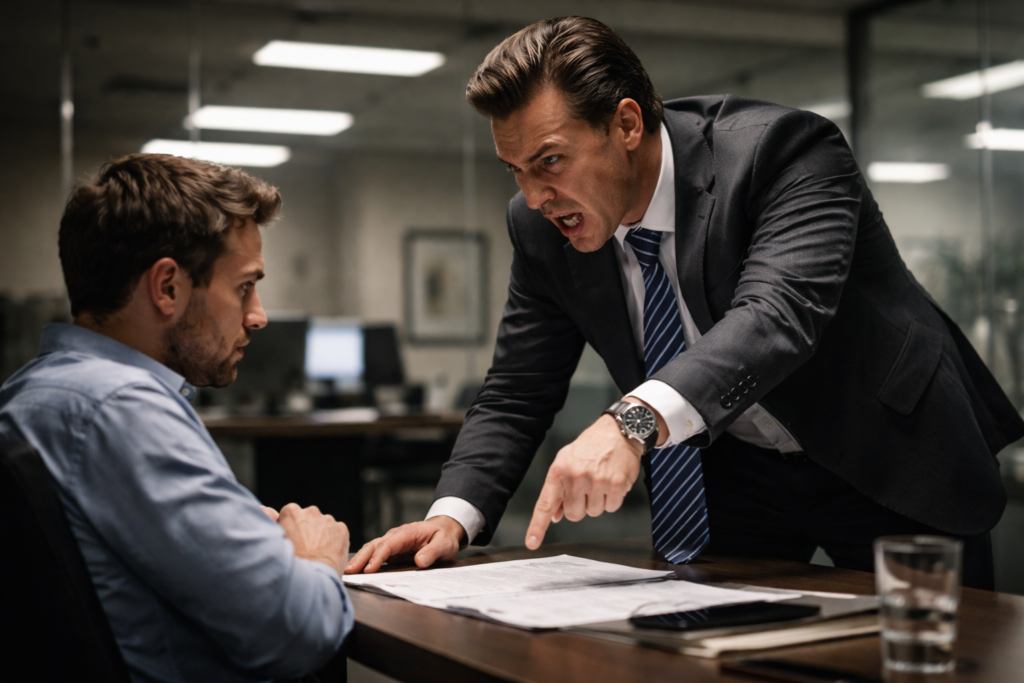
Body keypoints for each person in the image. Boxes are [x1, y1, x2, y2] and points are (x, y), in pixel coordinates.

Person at [347, 16, 1022, 590]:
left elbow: (777, 316)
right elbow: (517, 388)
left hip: (886, 442)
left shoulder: (784, 154)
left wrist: (631, 420)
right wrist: (451, 516)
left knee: (934, 657)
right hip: (741, 468)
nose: (533, 196)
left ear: (627, 124)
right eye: (516, 171)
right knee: (716, 652)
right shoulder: (539, 229)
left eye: (550, 161)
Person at [0, 154, 353, 683]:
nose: (257, 315)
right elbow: (297, 631)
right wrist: (316, 558)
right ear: (167, 286)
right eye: (244, 286)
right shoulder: (121, 411)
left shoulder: (30, 394)